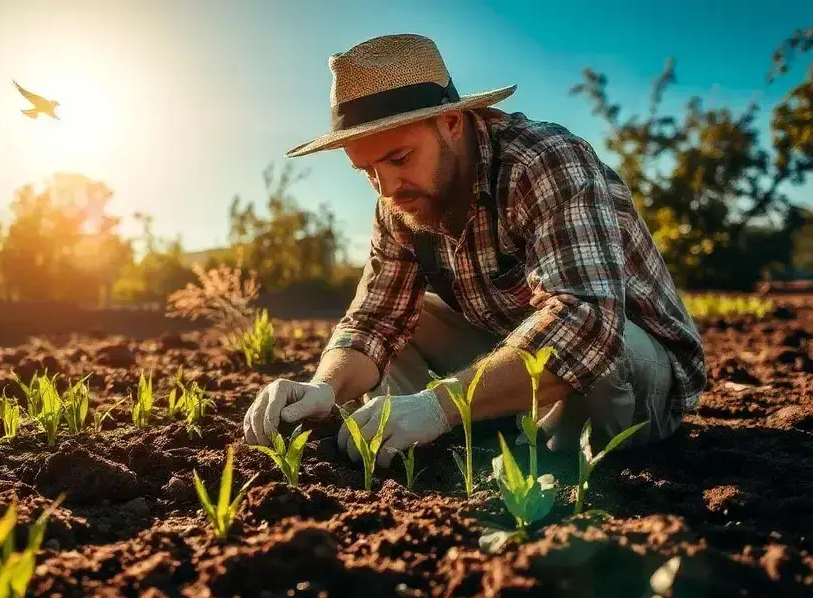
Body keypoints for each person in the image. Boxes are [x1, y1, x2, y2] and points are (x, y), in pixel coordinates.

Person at [242, 34, 706, 468]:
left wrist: (437, 404)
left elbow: (585, 323)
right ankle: (435, 446)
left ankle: (524, 453)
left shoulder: (543, 161)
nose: (386, 187)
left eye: (398, 159)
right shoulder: (400, 202)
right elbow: (374, 321)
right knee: (410, 318)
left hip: (638, 368)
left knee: (595, 345)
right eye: (366, 171)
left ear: (450, 121)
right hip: (515, 363)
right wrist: (325, 386)